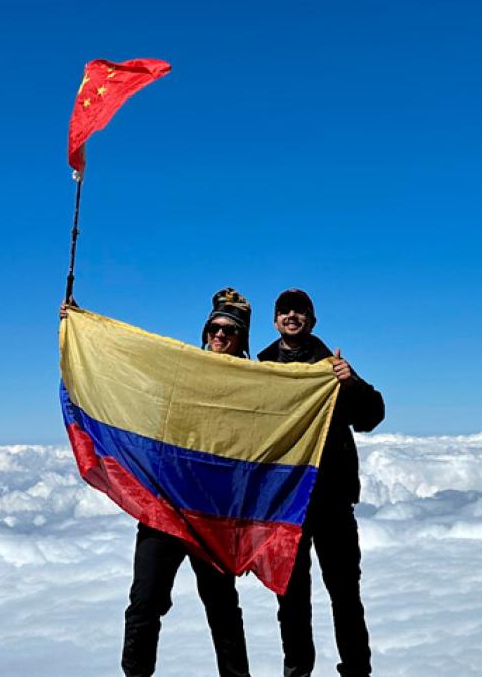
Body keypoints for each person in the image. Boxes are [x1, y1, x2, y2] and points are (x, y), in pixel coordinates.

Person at [61, 288, 255, 677]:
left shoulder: (254, 385)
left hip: (215, 514)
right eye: (215, 328)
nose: (220, 336)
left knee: (222, 608)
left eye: (229, 331)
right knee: (144, 603)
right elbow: (130, 367)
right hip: (164, 507)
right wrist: (82, 329)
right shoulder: (181, 369)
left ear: (241, 339)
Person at [258, 288, 385, 677]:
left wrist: (351, 384)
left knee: (345, 594)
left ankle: (357, 671)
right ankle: (297, 672)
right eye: (285, 311)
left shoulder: (331, 367)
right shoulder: (261, 369)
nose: (292, 316)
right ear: (276, 320)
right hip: (285, 502)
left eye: (300, 311)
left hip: (331, 499)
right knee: (291, 597)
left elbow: (370, 417)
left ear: (311, 320)